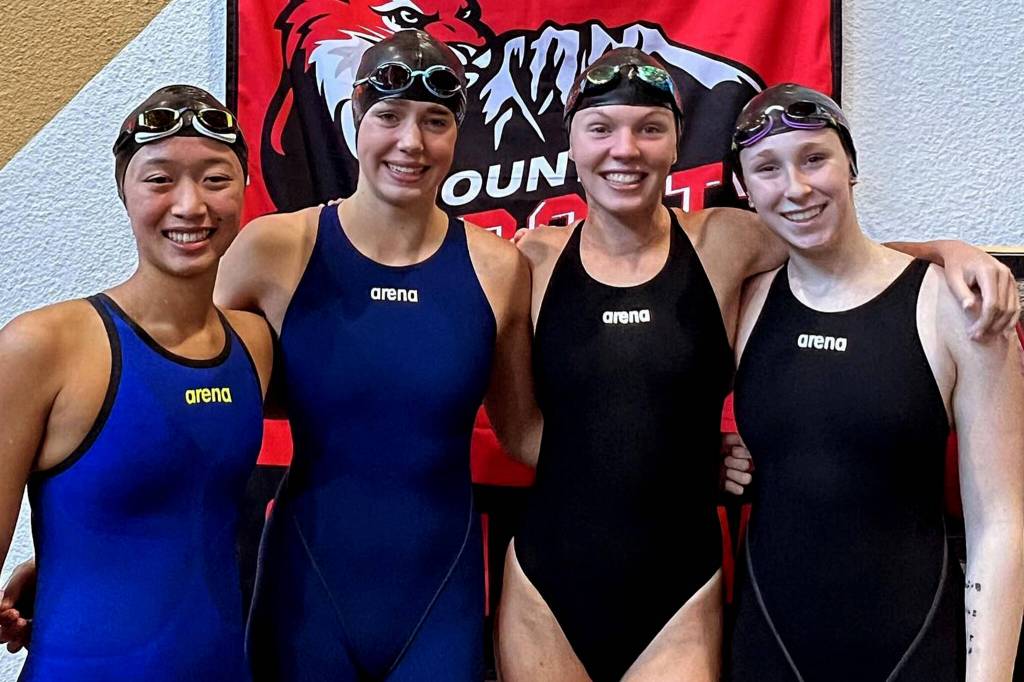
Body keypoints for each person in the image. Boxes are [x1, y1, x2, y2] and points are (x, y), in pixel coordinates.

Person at [498, 50, 1020, 682]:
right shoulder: (530, 259)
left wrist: (951, 250)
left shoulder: (728, 241)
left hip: (679, 594)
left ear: (677, 144)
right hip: (546, 582)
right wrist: (655, 456)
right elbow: (522, 434)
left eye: (650, 128)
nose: (625, 150)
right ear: (571, 144)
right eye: (601, 129)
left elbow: (845, 252)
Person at [213, 29, 538, 681]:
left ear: (457, 135)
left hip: (439, 599)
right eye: (389, 116)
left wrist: (677, 461)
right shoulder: (275, 250)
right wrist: (78, 546)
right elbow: (184, 404)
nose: (411, 142)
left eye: (435, 122)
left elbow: (526, 433)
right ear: (357, 120)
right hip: (308, 593)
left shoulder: (498, 268)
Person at [727, 84, 1024, 680]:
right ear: (744, 189)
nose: (796, 188)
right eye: (768, 168)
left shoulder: (958, 308)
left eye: (815, 158)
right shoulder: (742, 300)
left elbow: (1001, 522)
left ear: (851, 166)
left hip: (910, 649)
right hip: (767, 647)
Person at [0, 85, 274, 680]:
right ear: (124, 190)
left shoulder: (254, 344)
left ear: (245, 188)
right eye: (159, 180)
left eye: (215, 179)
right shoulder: (45, 345)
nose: (190, 205)